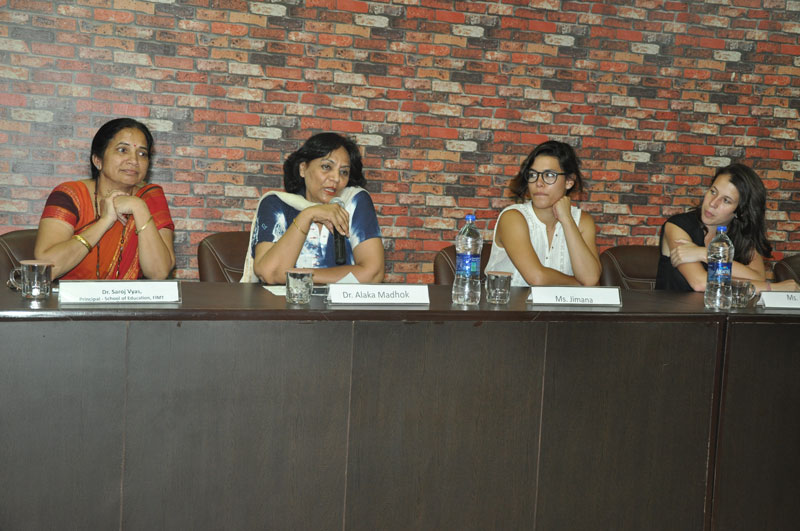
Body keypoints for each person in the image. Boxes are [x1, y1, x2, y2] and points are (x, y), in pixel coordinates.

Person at [34, 118, 175, 280]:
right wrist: (105, 221)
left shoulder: (149, 197)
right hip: (70, 296)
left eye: (142, 154)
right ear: (98, 160)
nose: (134, 161)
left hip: (129, 296)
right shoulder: (70, 196)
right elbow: (47, 269)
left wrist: (139, 207)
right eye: (123, 150)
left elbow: (159, 272)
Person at [242, 132, 384, 284]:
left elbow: (373, 274)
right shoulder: (276, 204)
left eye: (344, 172)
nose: (336, 178)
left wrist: (301, 276)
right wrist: (308, 215)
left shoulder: (354, 201)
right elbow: (269, 273)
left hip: (341, 300)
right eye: (326, 167)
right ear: (303, 169)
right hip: (282, 300)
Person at [656, 162, 799, 292]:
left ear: (740, 211)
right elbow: (700, 282)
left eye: (726, 200)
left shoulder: (742, 235)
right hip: (672, 312)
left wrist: (704, 254)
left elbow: (757, 277)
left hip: (718, 312)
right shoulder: (677, 225)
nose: (713, 203)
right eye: (713, 191)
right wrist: (771, 288)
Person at [485, 140, 601, 286]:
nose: (539, 183)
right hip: (509, 301)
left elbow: (591, 278)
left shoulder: (582, 222)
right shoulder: (513, 218)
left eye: (549, 175)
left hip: (561, 303)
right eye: (533, 175)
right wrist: (581, 285)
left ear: (569, 181)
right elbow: (537, 278)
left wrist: (567, 220)